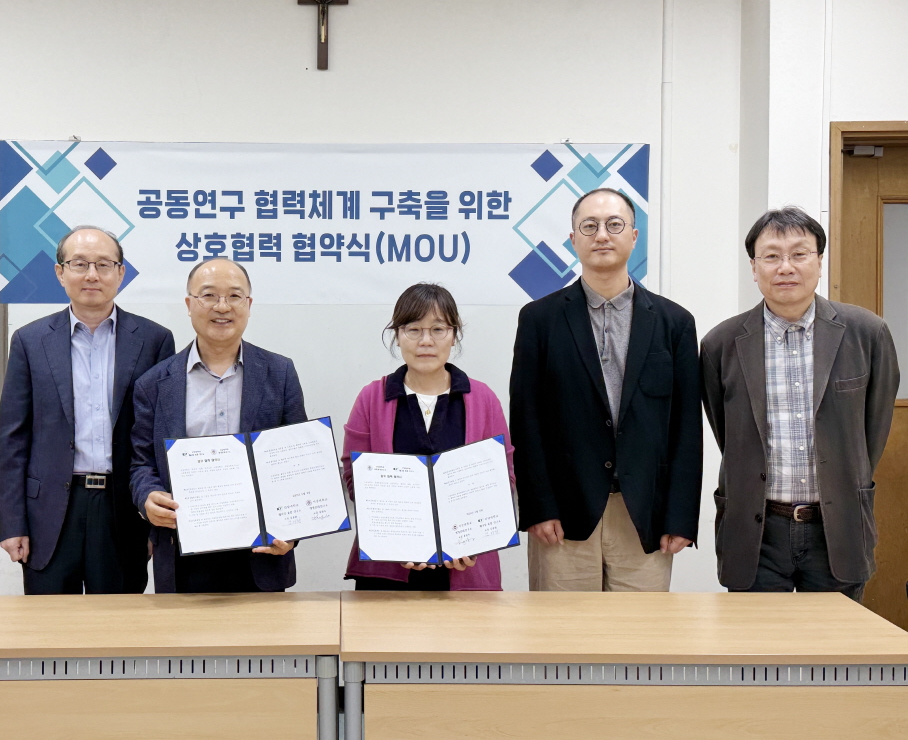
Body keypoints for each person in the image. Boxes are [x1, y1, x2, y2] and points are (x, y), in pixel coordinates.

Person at [700, 207, 899, 600]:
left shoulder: (867, 333)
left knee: (835, 639)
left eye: (799, 254)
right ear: (754, 267)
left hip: (837, 525)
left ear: (819, 261)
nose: (785, 267)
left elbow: (873, 429)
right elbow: (727, 432)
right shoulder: (720, 344)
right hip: (757, 531)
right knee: (759, 640)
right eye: (772, 256)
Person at [510, 188, 702, 592]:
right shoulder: (539, 320)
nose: (602, 235)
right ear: (572, 239)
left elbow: (686, 428)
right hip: (563, 517)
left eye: (614, 225)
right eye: (589, 226)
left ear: (633, 236)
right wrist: (538, 508)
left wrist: (681, 516)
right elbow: (527, 422)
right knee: (562, 630)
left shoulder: (675, 323)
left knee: (639, 631)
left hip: (644, 516)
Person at [0, 226, 175, 594]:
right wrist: (12, 522)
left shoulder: (155, 340)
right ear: (60, 273)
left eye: (104, 265)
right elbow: (13, 437)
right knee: (50, 623)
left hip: (123, 510)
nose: (92, 275)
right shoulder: (29, 341)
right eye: (79, 264)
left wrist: (154, 525)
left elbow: (161, 439)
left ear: (121, 273)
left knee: (116, 623)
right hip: (49, 512)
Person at [130, 257, 306, 593]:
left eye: (234, 296)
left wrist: (293, 531)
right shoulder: (154, 383)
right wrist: (147, 497)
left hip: (260, 553)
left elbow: (296, 461)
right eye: (209, 295)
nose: (222, 307)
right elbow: (141, 462)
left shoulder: (280, 373)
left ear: (249, 304)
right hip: (183, 552)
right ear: (189, 304)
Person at [343, 283, 515, 590]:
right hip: (387, 570)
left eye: (438, 329)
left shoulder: (482, 398)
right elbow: (355, 479)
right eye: (413, 329)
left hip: (466, 566)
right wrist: (399, 536)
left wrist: (472, 541)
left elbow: (504, 478)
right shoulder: (371, 398)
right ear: (397, 335)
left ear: (454, 335)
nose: (426, 341)